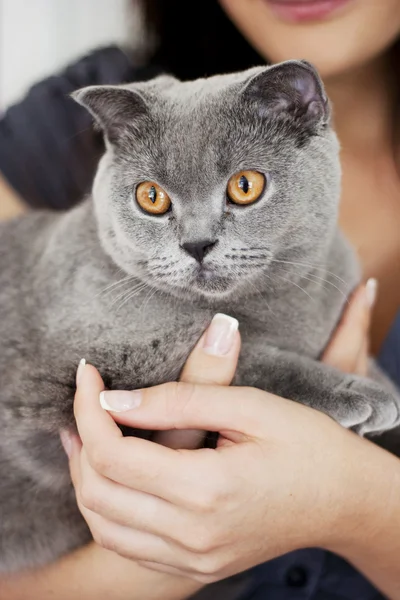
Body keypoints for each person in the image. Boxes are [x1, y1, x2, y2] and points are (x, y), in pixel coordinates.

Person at [1, 0, 400, 598]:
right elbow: (66, 384)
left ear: (301, 113)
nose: (196, 241)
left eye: (243, 187)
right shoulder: (58, 134)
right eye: (156, 203)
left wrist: (353, 499)